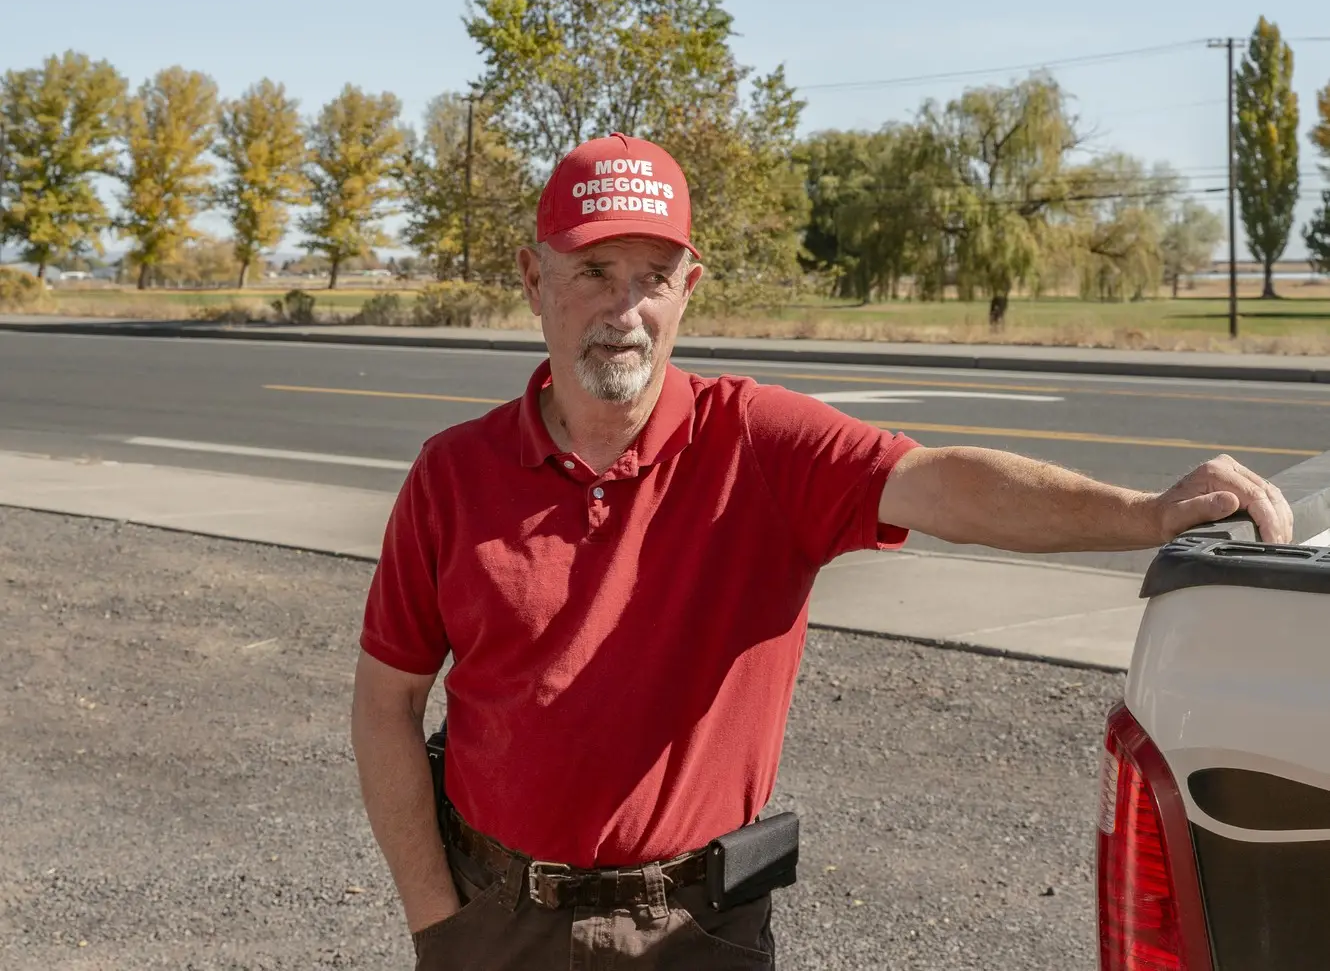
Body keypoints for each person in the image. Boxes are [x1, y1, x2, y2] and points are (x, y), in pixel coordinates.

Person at [351, 133, 1292, 970]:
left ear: (690, 288)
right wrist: (439, 922)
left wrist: (1145, 512)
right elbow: (386, 699)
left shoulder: (757, 444)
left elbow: (945, 484)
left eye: (653, 274)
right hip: (497, 923)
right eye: (595, 271)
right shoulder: (452, 476)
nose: (625, 308)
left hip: (693, 932)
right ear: (531, 279)